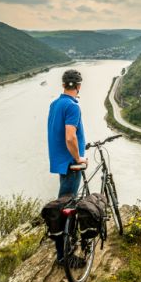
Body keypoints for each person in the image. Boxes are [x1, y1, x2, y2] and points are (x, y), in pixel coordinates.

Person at [47, 69, 87, 265]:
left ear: (63, 85)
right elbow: (70, 136)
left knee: (64, 204)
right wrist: (78, 157)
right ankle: (64, 256)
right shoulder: (72, 106)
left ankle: (62, 251)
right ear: (78, 86)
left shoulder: (55, 104)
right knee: (67, 208)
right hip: (71, 164)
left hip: (61, 163)